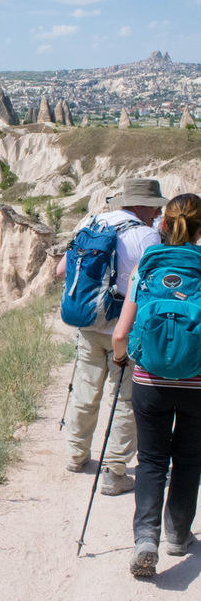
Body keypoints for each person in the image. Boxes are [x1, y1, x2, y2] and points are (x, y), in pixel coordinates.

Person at [57, 178, 166, 495]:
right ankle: (114, 471)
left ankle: (76, 456)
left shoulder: (94, 223)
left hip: (89, 324)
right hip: (125, 331)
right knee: (124, 400)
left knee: (84, 391)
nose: (157, 213)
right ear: (142, 206)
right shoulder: (147, 236)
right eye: (155, 207)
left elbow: (62, 270)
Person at [112, 193, 201, 577]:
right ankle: (178, 536)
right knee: (188, 460)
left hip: (150, 379)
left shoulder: (146, 266)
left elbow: (120, 334)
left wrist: (121, 359)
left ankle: (145, 538)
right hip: (197, 382)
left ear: (162, 224)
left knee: (150, 461)